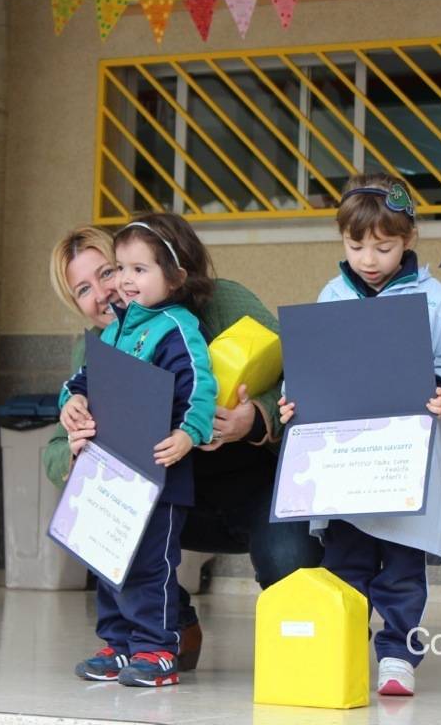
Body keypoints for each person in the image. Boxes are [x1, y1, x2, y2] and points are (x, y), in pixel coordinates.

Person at [43, 224, 323, 671]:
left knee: (289, 559)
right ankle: (161, 632)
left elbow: (303, 370)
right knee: (104, 519)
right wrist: (75, 443)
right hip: (170, 500)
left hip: (254, 488)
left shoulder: (212, 304)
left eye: (108, 272)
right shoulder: (96, 347)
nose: (104, 291)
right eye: (83, 289)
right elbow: (55, 450)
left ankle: (312, 650)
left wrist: (256, 417)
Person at [279, 173, 441, 696]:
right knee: (344, 564)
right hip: (345, 464)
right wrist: (292, 397)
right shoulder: (331, 295)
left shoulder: (436, 300)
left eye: (383, 247)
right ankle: (343, 650)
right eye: (355, 247)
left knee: (401, 567)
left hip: (402, 464)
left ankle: (398, 656)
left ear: (409, 239)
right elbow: (310, 362)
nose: (368, 260)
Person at [60, 213, 217, 688]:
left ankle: (157, 649)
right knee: (108, 561)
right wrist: (71, 402)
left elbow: (200, 385)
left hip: (159, 477)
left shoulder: (176, 326)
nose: (126, 281)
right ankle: (118, 645)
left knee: (152, 567)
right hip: (112, 474)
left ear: (175, 278)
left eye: (138, 270)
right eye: (123, 268)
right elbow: (81, 381)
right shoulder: (115, 332)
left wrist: (189, 433)